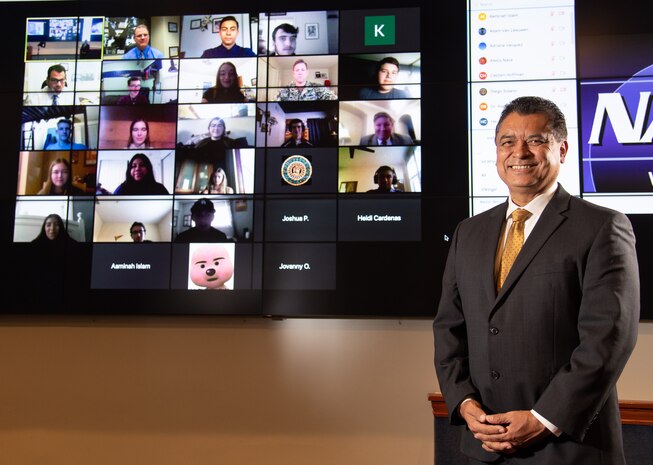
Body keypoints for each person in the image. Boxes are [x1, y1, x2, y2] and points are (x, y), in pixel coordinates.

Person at [433, 96, 639, 465]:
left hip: (568, 448)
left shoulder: (602, 227)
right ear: (496, 152)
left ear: (561, 148)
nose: (520, 152)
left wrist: (544, 419)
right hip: (483, 444)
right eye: (507, 141)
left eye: (536, 140)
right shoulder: (469, 232)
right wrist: (464, 403)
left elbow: (609, 339)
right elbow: (449, 328)